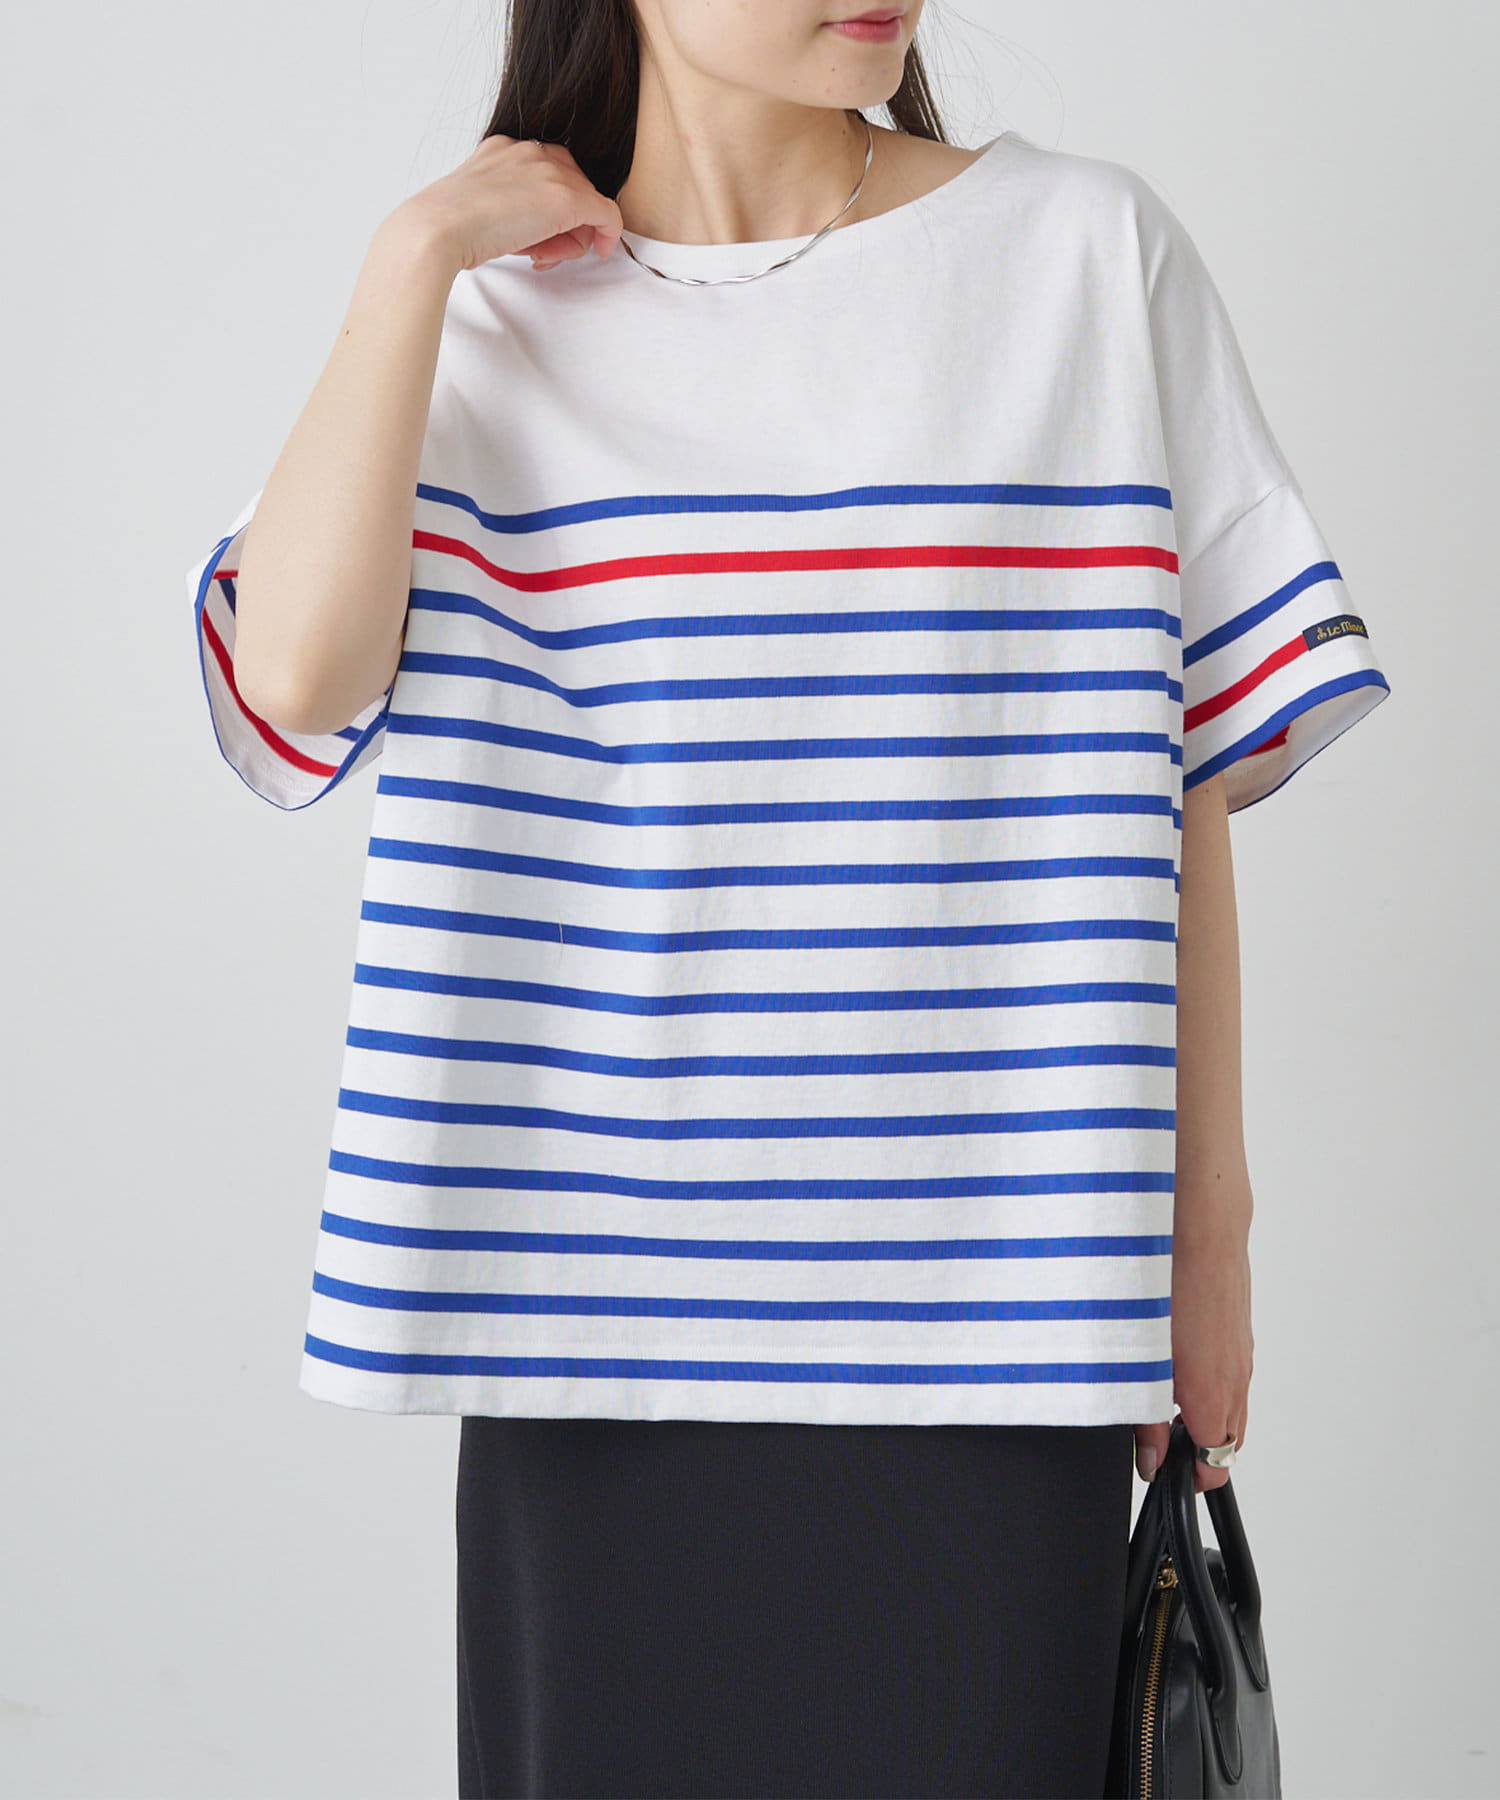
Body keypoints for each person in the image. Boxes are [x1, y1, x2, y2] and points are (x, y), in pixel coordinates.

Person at [185, 3, 1390, 1795]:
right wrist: (414, 255)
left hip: (995, 1320)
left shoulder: (1081, 253)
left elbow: (1185, 759)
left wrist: (1209, 1230)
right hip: (592, 1335)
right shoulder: (476, 314)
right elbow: (289, 682)